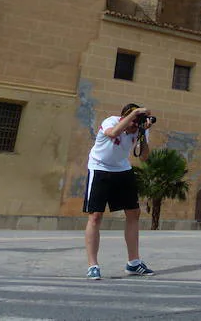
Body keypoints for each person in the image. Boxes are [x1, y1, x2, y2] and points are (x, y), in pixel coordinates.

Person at [84, 103, 156, 280]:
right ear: (124, 118)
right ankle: (93, 265)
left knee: (134, 213)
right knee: (95, 215)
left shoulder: (139, 129)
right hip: (99, 168)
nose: (134, 126)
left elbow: (145, 157)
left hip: (122, 170)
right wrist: (135, 115)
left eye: (136, 122)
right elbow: (113, 133)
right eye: (132, 122)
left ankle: (133, 263)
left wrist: (142, 134)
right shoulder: (111, 121)